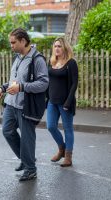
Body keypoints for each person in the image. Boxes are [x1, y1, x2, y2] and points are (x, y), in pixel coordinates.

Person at [0, 28, 49, 181]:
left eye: (13, 42)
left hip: (26, 106)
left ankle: (31, 169)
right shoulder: (17, 58)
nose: (11, 45)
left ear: (23, 41)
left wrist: (22, 87)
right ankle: (26, 160)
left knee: (27, 138)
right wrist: (3, 87)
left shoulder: (37, 59)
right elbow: (15, 80)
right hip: (10, 104)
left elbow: (44, 84)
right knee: (7, 131)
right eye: (10, 43)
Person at [46, 37, 78, 167]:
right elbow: (48, 82)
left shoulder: (71, 63)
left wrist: (68, 102)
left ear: (64, 48)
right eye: (55, 46)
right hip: (52, 101)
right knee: (51, 126)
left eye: (59, 46)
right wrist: (46, 98)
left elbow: (74, 83)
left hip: (65, 102)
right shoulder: (52, 62)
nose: (57, 48)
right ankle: (62, 149)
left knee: (68, 129)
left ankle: (68, 157)